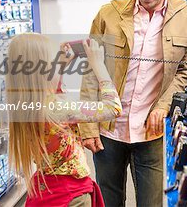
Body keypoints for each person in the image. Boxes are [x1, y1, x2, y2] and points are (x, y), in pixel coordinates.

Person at [79, 0, 187, 206]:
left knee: (152, 202)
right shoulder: (108, 14)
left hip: (151, 132)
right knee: (109, 201)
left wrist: (164, 106)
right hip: (108, 130)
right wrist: (87, 125)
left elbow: (185, 69)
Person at [6, 33, 122, 207]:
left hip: (45, 190)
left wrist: (60, 65)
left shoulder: (24, 105)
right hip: (70, 196)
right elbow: (113, 107)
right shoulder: (58, 108)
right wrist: (98, 65)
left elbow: (49, 89)